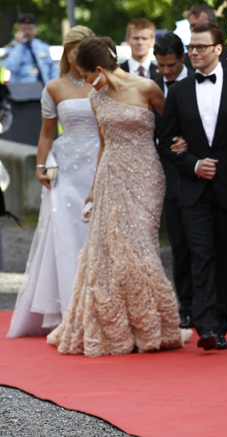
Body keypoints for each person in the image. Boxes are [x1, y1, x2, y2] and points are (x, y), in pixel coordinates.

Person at [47, 36, 185, 357]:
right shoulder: (96, 98)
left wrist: (183, 146)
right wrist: (94, 190)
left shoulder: (147, 87)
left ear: (97, 69)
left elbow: (174, 127)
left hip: (146, 175)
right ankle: (123, 327)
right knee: (110, 251)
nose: (82, 82)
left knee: (141, 245)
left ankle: (154, 325)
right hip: (111, 176)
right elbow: (103, 145)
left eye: (83, 75)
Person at [158, 23, 227, 351]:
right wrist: (193, 163)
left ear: (218, 49)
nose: (194, 52)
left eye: (201, 47)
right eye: (192, 47)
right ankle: (205, 325)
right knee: (201, 254)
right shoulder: (177, 92)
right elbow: (165, 143)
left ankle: (220, 321)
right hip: (192, 191)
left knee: (225, 256)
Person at [7, 26, 99, 338]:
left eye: (83, 47)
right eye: (73, 48)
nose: (77, 53)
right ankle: (68, 309)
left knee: (96, 233)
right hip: (67, 167)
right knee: (65, 233)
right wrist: (40, 165)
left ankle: (100, 307)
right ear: (67, 52)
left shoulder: (104, 84)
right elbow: (46, 133)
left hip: (99, 163)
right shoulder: (54, 86)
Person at [153, 32, 195, 329]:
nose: (166, 71)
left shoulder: (197, 83)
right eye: (161, 66)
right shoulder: (150, 87)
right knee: (179, 244)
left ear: (183, 59)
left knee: (206, 245)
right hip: (165, 172)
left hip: (199, 169)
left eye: (171, 65)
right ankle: (187, 307)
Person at [184, 5, 227, 79]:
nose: (197, 29)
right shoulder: (184, 61)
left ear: (215, 26)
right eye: (193, 25)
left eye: (203, 25)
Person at [2, 13, 59, 85]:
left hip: (44, 91)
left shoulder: (43, 47)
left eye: (30, 29)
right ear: (18, 30)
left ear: (35, 29)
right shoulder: (11, 48)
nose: (27, 32)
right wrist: (19, 45)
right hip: (23, 92)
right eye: (24, 29)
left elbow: (53, 71)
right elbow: (11, 67)